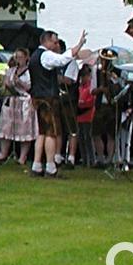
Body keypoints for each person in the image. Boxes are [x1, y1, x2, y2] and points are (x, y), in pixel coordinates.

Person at [29, 30, 86, 177]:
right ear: (46, 41)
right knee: (51, 133)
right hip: (48, 98)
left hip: (38, 97)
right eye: (54, 42)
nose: (56, 45)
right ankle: (50, 166)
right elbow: (62, 60)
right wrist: (78, 46)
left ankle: (36, 164)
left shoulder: (34, 56)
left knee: (41, 132)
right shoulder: (45, 55)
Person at [0, 48, 37, 165]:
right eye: (16, 57)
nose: (18, 60)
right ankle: (4, 153)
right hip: (11, 101)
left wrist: (19, 82)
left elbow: (29, 87)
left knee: (24, 128)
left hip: (24, 101)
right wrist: (8, 83)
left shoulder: (29, 72)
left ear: (26, 58)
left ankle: (22, 157)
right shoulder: (12, 70)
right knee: (7, 126)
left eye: (20, 57)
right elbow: (6, 83)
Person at [92, 50, 122, 167]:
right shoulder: (97, 71)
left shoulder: (118, 72)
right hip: (101, 105)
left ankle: (109, 159)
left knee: (111, 134)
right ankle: (100, 158)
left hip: (112, 105)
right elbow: (93, 90)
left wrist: (112, 81)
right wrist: (101, 89)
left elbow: (120, 89)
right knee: (96, 132)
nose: (106, 61)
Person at [56, 39, 81, 168]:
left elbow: (69, 80)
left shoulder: (71, 63)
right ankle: (57, 155)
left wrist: (56, 77)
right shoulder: (55, 63)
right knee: (58, 128)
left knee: (71, 129)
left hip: (69, 99)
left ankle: (71, 156)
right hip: (57, 99)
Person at [76, 64, 97, 167]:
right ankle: (84, 159)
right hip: (79, 116)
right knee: (81, 138)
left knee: (88, 138)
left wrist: (82, 103)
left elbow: (91, 101)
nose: (83, 78)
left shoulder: (90, 87)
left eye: (85, 76)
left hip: (88, 116)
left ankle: (92, 160)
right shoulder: (80, 87)